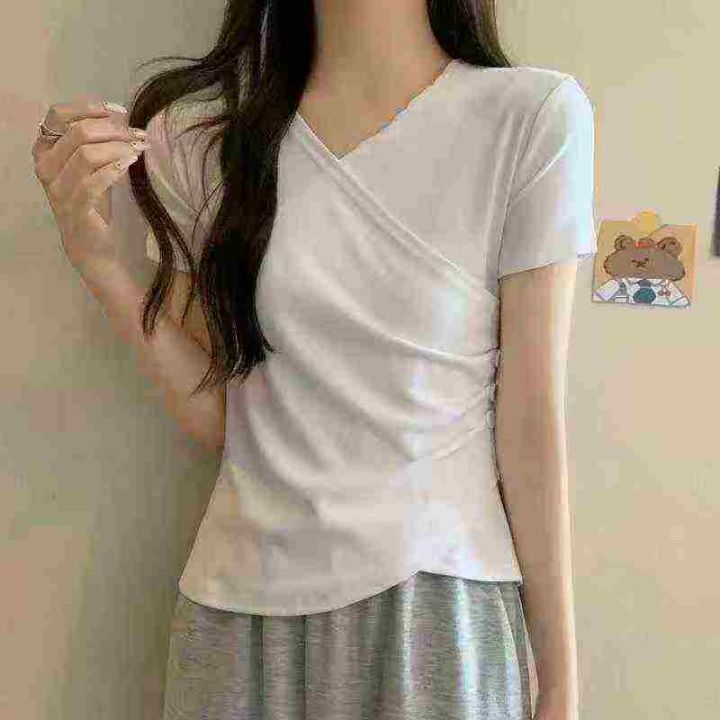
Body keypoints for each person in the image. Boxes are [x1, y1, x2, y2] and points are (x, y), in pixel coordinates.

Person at [31, 1, 596, 718]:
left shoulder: (530, 117)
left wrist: (560, 682)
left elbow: (530, 422)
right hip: (236, 613)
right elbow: (226, 418)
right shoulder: (201, 140)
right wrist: (97, 261)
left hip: (434, 606)